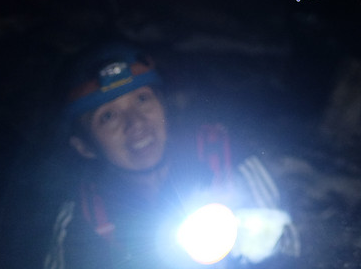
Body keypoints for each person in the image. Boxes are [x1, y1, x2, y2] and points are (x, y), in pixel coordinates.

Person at [44, 40, 300, 268]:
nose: (136, 124)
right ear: (85, 146)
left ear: (164, 105)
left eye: (142, 100)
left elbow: (290, 248)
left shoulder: (225, 157)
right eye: (108, 116)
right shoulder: (83, 218)